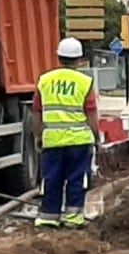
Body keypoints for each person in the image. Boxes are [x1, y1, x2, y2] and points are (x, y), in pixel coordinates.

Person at [34, 38, 101, 228]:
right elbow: (91, 113)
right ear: (80, 59)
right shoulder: (85, 82)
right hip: (79, 142)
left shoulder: (45, 80)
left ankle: (48, 217)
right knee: (77, 180)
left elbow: (37, 111)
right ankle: (73, 218)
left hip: (53, 142)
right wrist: (96, 138)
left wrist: (38, 136)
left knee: (51, 179)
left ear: (59, 57)